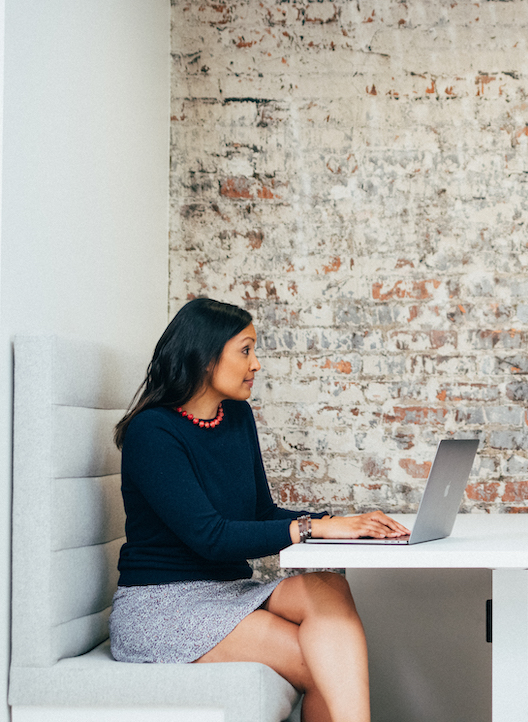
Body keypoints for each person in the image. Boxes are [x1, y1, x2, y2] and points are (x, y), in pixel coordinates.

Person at [110, 297, 410, 722]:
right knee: (318, 666)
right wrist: (311, 530)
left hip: (224, 592)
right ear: (205, 356)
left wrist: (337, 525)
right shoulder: (152, 432)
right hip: (161, 605)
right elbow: (212, 537)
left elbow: (260, 512)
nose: (257, 364)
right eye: (246, 350)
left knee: (329, 587)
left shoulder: (235, 416)